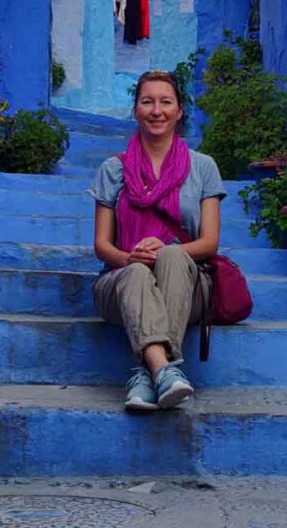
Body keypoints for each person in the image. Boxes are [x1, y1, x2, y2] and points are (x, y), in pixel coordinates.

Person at [89, 70, 225, 411]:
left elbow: (209, 243)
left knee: (175, 257)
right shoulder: (112, 170)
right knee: (136, 274)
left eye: (166, 102)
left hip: (186, 284)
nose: (156, 110)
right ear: (135, 110)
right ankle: (165, 372)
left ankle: (145, 373)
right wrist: (129, 259)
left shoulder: (203, 167)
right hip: (120, 284)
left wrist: (166, 249)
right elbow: (102, 246)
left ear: (179, 111)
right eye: (147, 102)